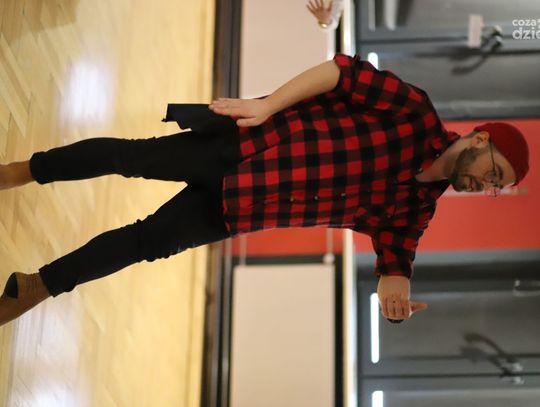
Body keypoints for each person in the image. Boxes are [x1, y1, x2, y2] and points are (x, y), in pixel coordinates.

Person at [0, 54, 530, 327]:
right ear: (480, 139)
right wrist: (269, 103)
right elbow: (340, 73)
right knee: (129, 158)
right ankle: (21, 171)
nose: (485, 184)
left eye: (495, 187)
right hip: (244, 146)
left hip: (243, 208)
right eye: (494, 172)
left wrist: (395, 301)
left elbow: (396, 265)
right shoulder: (415, 111)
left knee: (143, 243)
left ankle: (35, 287)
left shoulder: (415, 211)